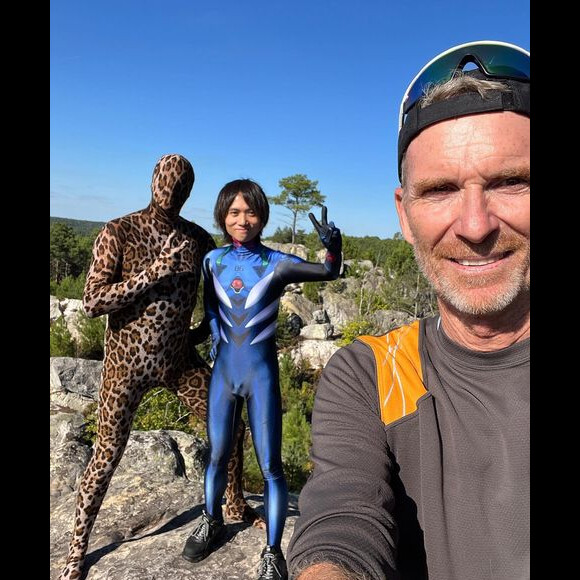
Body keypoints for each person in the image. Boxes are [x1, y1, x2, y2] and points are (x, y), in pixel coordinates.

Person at [287, 40, 530, 580]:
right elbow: (343, 519)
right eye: (440, 190)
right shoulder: (374, 374)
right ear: (405, 213)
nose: (474, 226)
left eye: (511, 182)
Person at [58, 154, 264, 580]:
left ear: (188, 191)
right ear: (153, 181)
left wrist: (208, 330)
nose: (170, 190)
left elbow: (219, 291)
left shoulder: (196, 239)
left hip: (178, 362)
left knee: (230, 424)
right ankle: (77, 549)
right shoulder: (118, 231)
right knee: (106, 456)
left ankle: (235, 503)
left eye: (180, 185)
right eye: (165, 181)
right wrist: (153, 273)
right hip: (124, 368)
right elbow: (94, 301)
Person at [181, 179, 342, 580]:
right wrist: (182, 339)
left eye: (251, 212)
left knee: (270, 465)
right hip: (224, 374)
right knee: (217, 454)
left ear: (263, 217)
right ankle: (211, 518)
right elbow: (211, 315)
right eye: (234, 212)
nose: (243, 220)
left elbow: (328, 271)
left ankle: (272, 552)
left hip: (261, 375)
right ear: (222, 215)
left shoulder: (277, 263)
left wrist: (333, 245)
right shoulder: (212, 261)